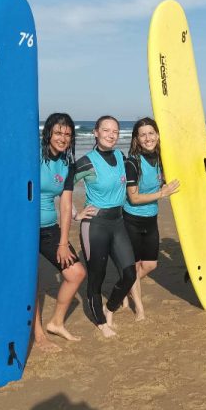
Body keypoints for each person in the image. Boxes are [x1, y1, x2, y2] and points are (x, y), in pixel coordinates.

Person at [0, 113, 87, 351]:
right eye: (58, 132)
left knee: (76, 273)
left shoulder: (67, 164)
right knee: (30, 280)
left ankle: (56, 323)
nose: (63, 138)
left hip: (48, 229)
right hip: (19, 227)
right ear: (48, 133)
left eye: (67, 134)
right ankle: (38, 336)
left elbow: (66, 205)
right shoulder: (29, 152)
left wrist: (63, 242)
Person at [75, 116, 137, 338]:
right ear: (96, 132)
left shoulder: (121, 156)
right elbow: (59, 187)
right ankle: (101, 323)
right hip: (95, 225)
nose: (111, 135)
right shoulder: (86, 162)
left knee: (129, 274)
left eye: (115, 131)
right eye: (106, 130)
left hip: (118, 223)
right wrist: (75, 214)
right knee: (97, 277)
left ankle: (109, 307)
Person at [122, 117, 179, 321]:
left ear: (157, 135)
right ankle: (140, 309)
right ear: (137, 139)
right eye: (143, 134)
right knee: (135, 265)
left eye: (151, 133)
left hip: (150, 219)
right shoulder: (132, 162)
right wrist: (161, 194)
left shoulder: (161, 159)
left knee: (150, 265)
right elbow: (133, 197)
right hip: (131, 219)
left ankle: (125, 288)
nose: (148, 138)